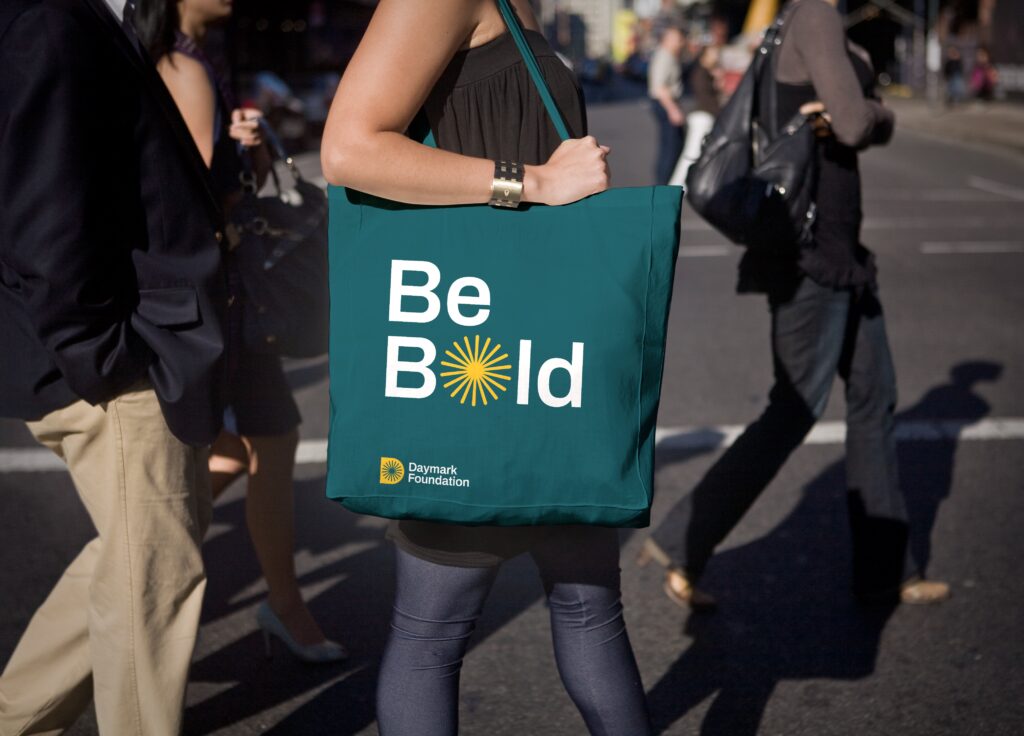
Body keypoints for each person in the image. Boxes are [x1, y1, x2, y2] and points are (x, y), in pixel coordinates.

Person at [321, 1, 651, 733]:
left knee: (590, 612)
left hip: (551, 352)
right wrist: (531, 182)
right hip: (474, 350)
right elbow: (348, 150)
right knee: (436, 632)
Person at [641, 0, 950, 611]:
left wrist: (853, 111)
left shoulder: (811, 18)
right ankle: (684, 538)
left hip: (839, 247)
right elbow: (858, 124)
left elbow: (845, 118)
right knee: (796, 408)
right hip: (811, 248)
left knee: (872, 397)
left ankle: (886, 570)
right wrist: (874, 114)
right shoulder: (814, 14)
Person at [0, 0, 229, 732]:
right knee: (151, 598)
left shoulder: (67, 19)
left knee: (134, 567)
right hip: (116, 365)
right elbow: (44, 211)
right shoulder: (52, 20)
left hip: (114, 353)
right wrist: (108, 362)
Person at [136, 0, 347, 663]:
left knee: (257, 442)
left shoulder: (196, 59)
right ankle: (137, 573)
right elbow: (193, 198)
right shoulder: (179, 63)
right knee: (250, 443)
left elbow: (224, 189)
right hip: (214, 297)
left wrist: (246, 151)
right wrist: (232, 156)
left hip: (225, 293)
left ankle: (271, 601)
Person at [669, 43, 722, 186]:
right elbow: (707, 99)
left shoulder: (707, 72)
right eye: (713, 53)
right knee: (692, 153)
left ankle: (682, 185)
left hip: (704, 116)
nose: (716, 56)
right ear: (705, 55)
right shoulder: (701, 73)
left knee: (697, 153)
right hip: (702, 117)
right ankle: (677, 186)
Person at [649, 24, 688, 185]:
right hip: (665, 103)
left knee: (673, 145)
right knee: (670, 148)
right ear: (668, 40)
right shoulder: (664, 57)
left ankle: (665, 182)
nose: (682, 43)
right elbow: (660, 88)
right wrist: (673, 110)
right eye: (679, 40)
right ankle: (662, 184)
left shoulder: (670, 56)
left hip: (667, 103)